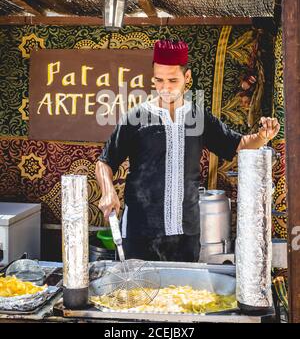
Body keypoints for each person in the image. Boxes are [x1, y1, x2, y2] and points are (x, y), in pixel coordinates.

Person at [95, 40, 280, 262]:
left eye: (173, 80)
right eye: (159, 80)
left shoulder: (198, 117)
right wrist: (107, 190)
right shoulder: (135, 118)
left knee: (183, 294)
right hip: (140, 233)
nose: (165, 87)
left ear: (187, 77)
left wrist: (262, 136)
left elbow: (238, 144)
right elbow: (104, 161)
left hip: (186, 235)